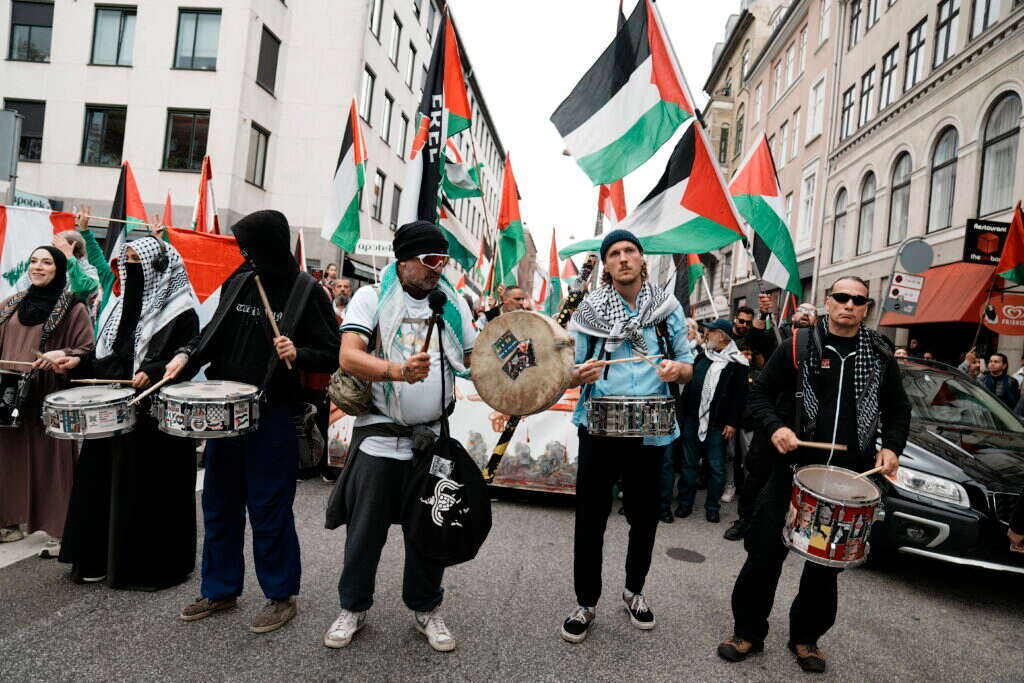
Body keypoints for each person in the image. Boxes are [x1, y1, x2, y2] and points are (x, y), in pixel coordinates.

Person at [717, 276, 911, 673]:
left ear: (866, 308)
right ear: (828, 301)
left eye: (859, 300)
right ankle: (748, 632)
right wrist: (776, 428)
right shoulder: (798, 344)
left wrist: (891, 447)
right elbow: (759, 394)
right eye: (842, 297)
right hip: (791, 471)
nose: (849, 305)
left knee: (825, 566)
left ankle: (806, 638)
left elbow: (898, 410)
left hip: (848, 478)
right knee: (764, 555)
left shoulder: (878, 355)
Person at [164, 210, 339, 634]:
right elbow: (211, 335)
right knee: (219, 505)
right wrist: (186, 356)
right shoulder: (241, 280)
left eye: (251, 246)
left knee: (268, 508)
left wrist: (298, 353)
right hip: (224, 412)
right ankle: (220, 588)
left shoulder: (306, 291)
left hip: (274, 413)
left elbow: (332, 352)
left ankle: (281, 596)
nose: (245, 253)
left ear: (271, 245)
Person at [323, 221, 476, 653]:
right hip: (379, 438)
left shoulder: (452, 303)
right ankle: (352, 607)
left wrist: (531, 371)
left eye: (442, 261)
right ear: (404, 260)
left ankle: (426, 607)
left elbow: (473, 357)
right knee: (364, 533)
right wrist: (396, 371)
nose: (437, 269)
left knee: (431, 530)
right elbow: (349, 355)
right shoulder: (370, 297)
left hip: (430, 441)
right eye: (430, 260)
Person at [559, 229, 693, 644]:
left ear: (641, 259)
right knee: (591, 517)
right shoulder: (588, 311)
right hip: (600, 425)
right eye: (613, 253)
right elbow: (571, 368)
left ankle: (634, 590)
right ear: (606, 264)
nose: (622, 259)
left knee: (646, 515)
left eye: (629, 251)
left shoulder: (667, 308)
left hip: (651, 428)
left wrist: (676, 370)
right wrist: (579, 373)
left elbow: (688, 365)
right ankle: (585, 602)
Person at [58, 237, 199, 588]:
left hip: (154, 421)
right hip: (112, 408)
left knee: (145, 489)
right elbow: (109, 355)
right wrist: (78, 360)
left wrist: (153, 370)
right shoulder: (120, 307)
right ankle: (95, 557)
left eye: (139, 262)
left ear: (158, 267)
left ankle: (143, 566)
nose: (131, 269)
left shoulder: (180, 309)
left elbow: (190, 354)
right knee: (98, 479)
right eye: (128, 261)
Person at [0, 246, 95, 551]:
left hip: (48, 392)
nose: (37, 267)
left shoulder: (71, 307)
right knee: (8, 457)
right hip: (9, 394)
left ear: (59, 269)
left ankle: (60, 530)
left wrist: (64, 355)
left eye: (46, 262)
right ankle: (9, 523)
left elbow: (86, 350)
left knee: (51, 459)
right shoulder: (11, 304)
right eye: (33, 262)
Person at [676, 319, 749, 523]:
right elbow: (690, 386)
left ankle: (712, 507)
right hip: (692, 419)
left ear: (722, 336)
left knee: (716, 466)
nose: (706, 335)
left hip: (718, 424)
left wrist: (732, 423)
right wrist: (682, 415)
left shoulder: (738, 363)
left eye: (711, 332)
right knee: (689, 464)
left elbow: (739, 397)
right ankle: (685, 503)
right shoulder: (702, 356)